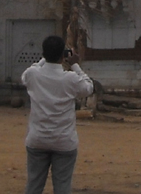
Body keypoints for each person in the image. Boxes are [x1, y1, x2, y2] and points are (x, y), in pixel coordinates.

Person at [21, 35, 94, 194]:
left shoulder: (33, 74)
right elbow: (88, 87)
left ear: (43, 53)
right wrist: (75, 65)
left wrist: (44, 59)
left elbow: (26, 74)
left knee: (33, 186)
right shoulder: (70, 78)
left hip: (37, 139)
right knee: (62, 187)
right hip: (64, 140)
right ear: (63, 55)